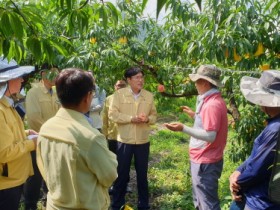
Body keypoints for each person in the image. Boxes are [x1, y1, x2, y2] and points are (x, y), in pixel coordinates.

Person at [36, 68, 118, 210]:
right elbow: (109, 175)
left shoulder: (46, 128)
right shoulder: (90, 137)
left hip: (54, 205)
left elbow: (43, 166)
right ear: (87, 97)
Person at [164, 64, 228, 210]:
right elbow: (208, 124)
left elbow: (211, 135)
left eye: (197, 81)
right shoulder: (210, 100)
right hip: (204, 158)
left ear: (205, 82)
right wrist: (195, 115)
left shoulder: (212, 104)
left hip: (206, 161)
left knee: (207, 204)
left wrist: (183, 128)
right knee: (200, 200)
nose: (195, 84)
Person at [229, 70, 280, 210]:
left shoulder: (276, 129)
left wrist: (237, 183)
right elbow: (259, 156)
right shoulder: (274, 124)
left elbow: (256, 170)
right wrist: (239, 170)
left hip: (261, 201)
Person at [109, 67, 157, 210]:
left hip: (142, 141)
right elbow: (113, 114)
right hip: (124, 140)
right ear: (128, 80)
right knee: (122, 174)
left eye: (141, 77)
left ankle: (143, 205)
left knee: (142, 175)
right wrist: (131, 119)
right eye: (136, 77)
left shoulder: (149, 96)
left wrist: (147, 119)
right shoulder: (119, 95)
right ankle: (117, 204)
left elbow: (154, 116)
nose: (140, 80)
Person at [0, 57, 37, 210]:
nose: (22, 80)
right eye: (17, 77)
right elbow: (4, 152)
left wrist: (26, 132)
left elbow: (8, 134)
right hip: (6, 184)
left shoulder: (6, 105)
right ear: (6, 82)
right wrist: (31, 143)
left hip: (14, 179)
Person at [24, 64, 60, 210]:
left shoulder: (57, 91)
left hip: (55, 140)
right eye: (53, 73)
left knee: (53, 173)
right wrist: (51, 130)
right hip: (39, 140)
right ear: (43, 74)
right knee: (35, 176)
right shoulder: (33, 92)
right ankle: (30, 205)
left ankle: (49, 202)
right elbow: (33, 117)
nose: (56, 77)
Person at [102, 79, 127, 154]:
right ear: (115, 87)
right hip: (112, 134)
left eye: (123, 85)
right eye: (119, 85)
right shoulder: (109, 99)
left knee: (124, 159)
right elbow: (104, 116)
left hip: (126, 136)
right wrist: (104, 133)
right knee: (113, 157)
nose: (121, 87)